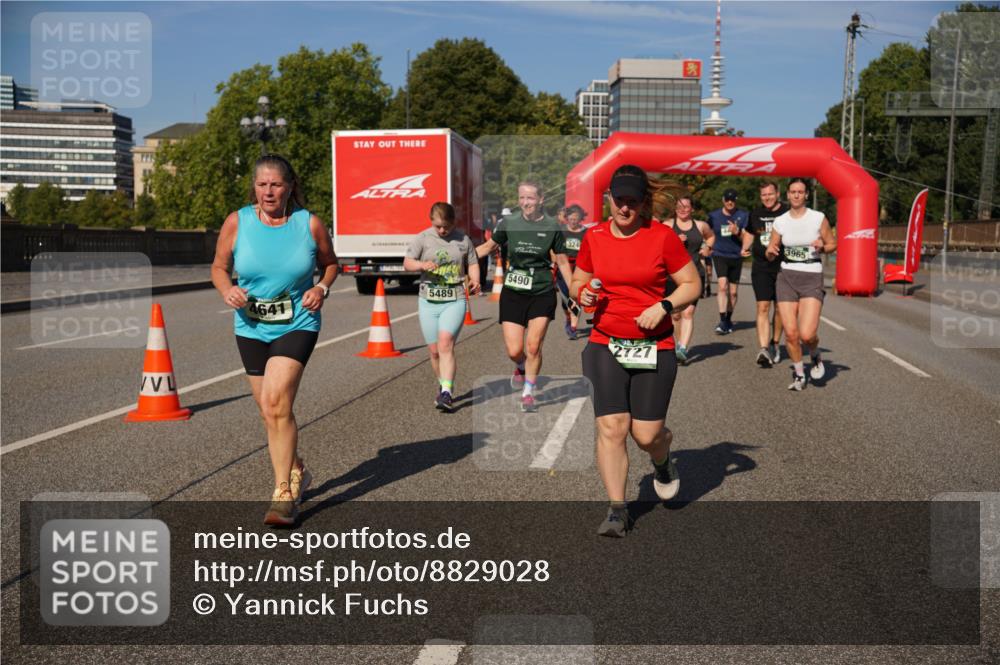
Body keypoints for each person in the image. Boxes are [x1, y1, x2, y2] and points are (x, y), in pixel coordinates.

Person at [572, 165, 701, 537]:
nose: (624, 209)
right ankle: (617, 509)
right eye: (618, 200)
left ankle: (662, 458)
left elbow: (691, 284)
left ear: (643, 202)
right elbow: (580, 280)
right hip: (605, 343)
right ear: (608, 198)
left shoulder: (661, 237)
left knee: (646, 435)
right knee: (613, 427)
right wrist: (586, 294)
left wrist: (664, 306)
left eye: (632, 201)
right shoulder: (594, 236)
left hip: (653, 345)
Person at [211, 154, 338, 526]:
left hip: (298, 320)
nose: (268, 191)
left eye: (276, 184)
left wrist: (321, 287)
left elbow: (332, 263)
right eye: (262, 184)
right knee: (268, 410)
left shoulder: (308, 224)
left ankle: (284, 493)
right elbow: (219, 267)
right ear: (255, 186)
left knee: (277, 401)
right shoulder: (238, 221)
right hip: (250, 326)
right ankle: (297, 467)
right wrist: (226, 289)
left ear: (290, 187)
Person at [476, 181, 574, 412]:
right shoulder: (508, 223)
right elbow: (488, 246)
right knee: (514, 350)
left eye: (530, 198)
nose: (525, 203)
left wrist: (573, 292)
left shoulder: (552, 226)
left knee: (533, 346)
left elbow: (561, 260)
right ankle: (520, 366)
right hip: (513, 292)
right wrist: (460, 257)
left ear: (541, 200)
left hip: (542, 291)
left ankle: (528, 392)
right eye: (521, 198)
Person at [403, 202, 481, 412]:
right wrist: (421, 265)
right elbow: (408, 262)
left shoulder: (463, 239)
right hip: (428, 300)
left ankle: (447, 392)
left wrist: (475, 279)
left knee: (445, 343)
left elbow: (472, 262)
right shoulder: (423, 238)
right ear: (431, 222)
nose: (442, 230)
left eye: (446, 226)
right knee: (434, 351)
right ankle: (442, 383)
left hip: (454, 297)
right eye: (438, 226)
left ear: (453, 222)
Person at [765, 177, 837, 391]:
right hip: (787, 276)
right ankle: (799, 375)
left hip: (811, 276)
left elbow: (833, 243)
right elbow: (772, 249)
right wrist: (770, 252)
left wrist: (822, 246)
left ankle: (814, 354)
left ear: (806, 195)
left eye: (800, 191)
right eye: (793, 191)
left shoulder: (818, 218)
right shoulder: (781, 221)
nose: (796, 195)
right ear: (787, 195)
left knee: (807, 334)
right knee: (791, 333)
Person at [662, 196, 715, 365]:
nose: (683, 209)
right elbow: (657, 243)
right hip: (672, 276)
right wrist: (674, 242)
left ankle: (683, 348)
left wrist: (707, 247)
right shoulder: (668, 225)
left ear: (692, 209)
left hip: (694, 275)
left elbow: (711, 236)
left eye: (686, 207)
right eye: (679, 206)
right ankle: (678, 345)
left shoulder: (700, 226)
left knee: (688, 312)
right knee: (676, 315)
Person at [742, 180, 789, 367]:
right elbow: (749, 233)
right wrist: (745, 247)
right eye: (764, 195)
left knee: (779, 309)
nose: (767, 198)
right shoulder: (756, 213)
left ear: (777, 194)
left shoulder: (786, 213)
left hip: (783, 267)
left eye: (770, 194)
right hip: (761, 266)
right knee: (762, 307)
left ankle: (775, 343)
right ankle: (763, 348)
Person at [707, 188, 749, 334]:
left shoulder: (743, 216)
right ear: (723, 200)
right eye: (727, 199)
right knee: (722, 286)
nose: (730, 202)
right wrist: (707, 246)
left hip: (736, 256)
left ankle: (728, 319)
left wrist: (737, 232)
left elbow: (747, 239)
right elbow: (707, 233)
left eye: (733, 200)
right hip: (719, 254)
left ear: (736, 201)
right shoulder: (713, 216)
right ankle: (723, 320)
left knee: (733, 293)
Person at [557, 204, 587, 339]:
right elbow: (554, 250)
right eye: (571, 219)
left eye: (576, 219)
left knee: (575, 297)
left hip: (580, 269)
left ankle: (573, 327)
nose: (574, 221)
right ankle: (569, 318)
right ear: (567, 218)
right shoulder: (561, 231)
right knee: (565, 300)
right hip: (563, 268)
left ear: (581, 219)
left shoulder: (586, 232)